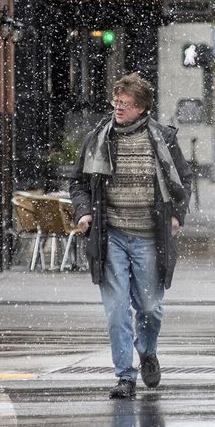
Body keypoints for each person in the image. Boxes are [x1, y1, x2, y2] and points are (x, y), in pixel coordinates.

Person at [70, 72, 191, 400]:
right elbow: (78, 181)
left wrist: (177, 215)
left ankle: (147, 352)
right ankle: (125, 376)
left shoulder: (162, 139)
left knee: (150, 307)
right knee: (117, 308)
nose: (117, 108)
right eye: (116, 102)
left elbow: (183, 181)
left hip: (150, 236)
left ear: (141, 108)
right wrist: (84, 212)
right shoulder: (99, 137)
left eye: (125, 104)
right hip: (112, 236)